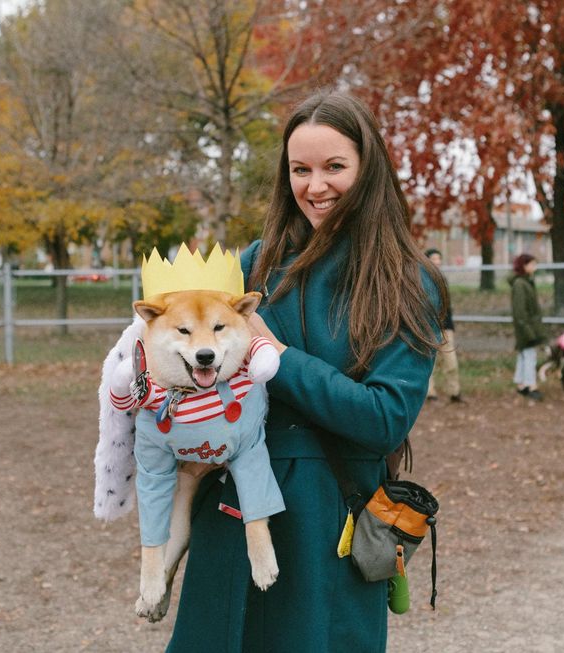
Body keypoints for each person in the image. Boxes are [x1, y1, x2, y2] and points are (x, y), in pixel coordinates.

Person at [164, 91, 449, 652]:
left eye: (334, 167)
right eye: (300, 170)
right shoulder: (255, 264)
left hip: (327, 519)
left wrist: (278, 358)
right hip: (233, 511)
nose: (315, 186)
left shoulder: (407, 281)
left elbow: (385, 419)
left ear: (368, 169)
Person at [424, 248, 464, 403]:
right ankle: (429, 393)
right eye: (434, 258)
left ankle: (454, 392)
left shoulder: (442, 279)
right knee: (430, 363)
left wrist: (450, 326)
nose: (437, 262)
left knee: (451, 362)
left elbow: (448, 306)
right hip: (429, 328)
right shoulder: (422, 280)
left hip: (445, 328)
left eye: (439, 258)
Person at [509, 253, 545, 401]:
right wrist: (528, 331)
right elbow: (520, 311)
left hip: (527, 326)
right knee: (529, 356)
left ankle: (521, 384)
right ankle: (531, 385)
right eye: (532, 264)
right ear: (524, 266)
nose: (534, 267)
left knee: (524, 355)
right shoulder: (520, 284)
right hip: (525, 327)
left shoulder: (525, 282)